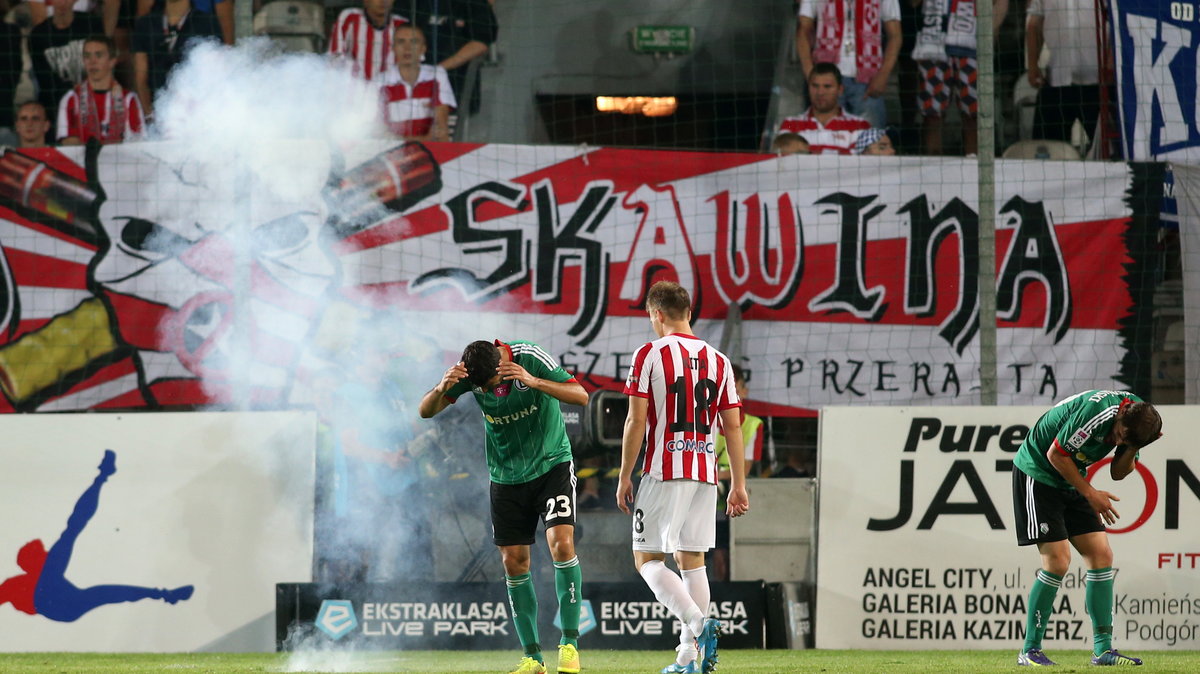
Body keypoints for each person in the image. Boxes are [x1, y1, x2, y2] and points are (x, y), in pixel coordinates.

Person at [419, 339, 589, 674]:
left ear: (501, 364)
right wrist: (442, 387)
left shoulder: (531, 356)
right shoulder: (470, 373)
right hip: (506, 477)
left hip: (551, 465)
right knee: (514, 562)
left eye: (492, 384)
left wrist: (534, 381)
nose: (486, 391)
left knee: (562, 544)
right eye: (480, 387)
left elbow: (581, 396)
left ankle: (569, 645)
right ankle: (533, 658)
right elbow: (425, 411)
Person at [617, 281, 750, 674]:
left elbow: (635, 419)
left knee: (646, 558)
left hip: (663, 468)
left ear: (657, 314)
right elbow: (733, 427)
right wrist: (739, 485)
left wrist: (625, 475)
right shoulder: (719, 360)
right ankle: (688, 659)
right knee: (692, 561)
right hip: (705, 472)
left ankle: (698, 623)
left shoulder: (649, 354)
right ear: (687, 312)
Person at [1012, 390, 1162, 667]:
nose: (1117, 440)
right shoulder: (1100, 412)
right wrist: (1091, 494)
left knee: (1101, 556)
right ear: (1119, 415)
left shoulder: (1138, 422)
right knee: (1057, 562)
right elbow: (1056, 453)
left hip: (1071, 477)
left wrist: (1131, 447)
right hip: (1038, 472)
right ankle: (1030, 650)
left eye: (1125, 440)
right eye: (1119, 434)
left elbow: (1118, 472)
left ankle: (1103, 651)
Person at [0, 450, 193, 622]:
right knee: (70, 534)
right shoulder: (20, 583)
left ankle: (165, 595)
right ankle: (102, 477)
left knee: (105, 591)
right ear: (30, 561)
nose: (46, 554)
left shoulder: (47, 575)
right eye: (41, 554)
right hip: (53, 606)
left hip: (71, 604)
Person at [911, 0, 1008, 155]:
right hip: (933, 44)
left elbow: (1000, 3)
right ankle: (932, 166)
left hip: (971, 46)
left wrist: (988, 37)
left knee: (973, 114)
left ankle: (974, 165)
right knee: (932, 114)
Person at [796, 0, 902, 128]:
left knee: (871, 141)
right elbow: (803, 29)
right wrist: (809, 73)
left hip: (868, 81)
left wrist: (883, 76)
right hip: (826, 79)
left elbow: (895, 35)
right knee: (827, 140)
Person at [710, 364, 764, 582]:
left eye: (740, 386)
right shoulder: (706, 419)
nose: (743, 391)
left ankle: (723, 597)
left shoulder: (753, 424)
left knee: (722, 552)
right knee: (687, 554)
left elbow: (744, 469)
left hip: (728, 500)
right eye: (738, 386)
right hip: (700, 494)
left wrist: (716, 476)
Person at [1026, 0, 1101, 145]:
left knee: (1109, 149)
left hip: (1099, 82)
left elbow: (1119, 22)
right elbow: (1033, 25)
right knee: (1047, 149)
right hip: (1057, 79)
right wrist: (1032, 66)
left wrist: (1111, 64)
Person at [29, 0, 107, 140]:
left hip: (94, 99)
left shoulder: (91, 24)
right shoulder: (38, 34)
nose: (62, 3)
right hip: (56, 105)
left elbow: (103, 61)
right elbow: (44, 78)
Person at [405, 0, 498, 115]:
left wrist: (438, 69)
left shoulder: (474, 4)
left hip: (454, 88)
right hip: (412, 87)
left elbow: (481, 43)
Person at [132, 0, 221, 116]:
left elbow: (214, 75)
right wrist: (150, 116)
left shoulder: (207, 23)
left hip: (194, 112)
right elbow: (140, 79)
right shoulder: (145, 24)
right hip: (156, 112)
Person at [57, 35, 145, 145]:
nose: (92, 62)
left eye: (98, 55)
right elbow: (68, 143)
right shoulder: (71, 98)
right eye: (87, 56)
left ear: (112, 61)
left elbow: (138, 142)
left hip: (121, 161)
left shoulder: (129, 99)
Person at [378, 24, 455, 142]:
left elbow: (440, 130)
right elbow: (378, 134)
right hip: (391, 154)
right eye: (401, 42)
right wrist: (422, 139)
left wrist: (403, 141)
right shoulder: (379, 81)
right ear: (393, 48)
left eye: (414, 42)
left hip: (430, 149)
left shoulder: (437, 74)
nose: (407, 48)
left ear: (423, 48)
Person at [777, 62, 871, 155]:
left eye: (827, 86)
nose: (820, 92)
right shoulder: (790, 124)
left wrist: (809, 154)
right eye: (815, 86)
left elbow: (857, 163)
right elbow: (783, 155)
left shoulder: (860, 125)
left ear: (840, 90)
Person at [328, 0, 410, 83]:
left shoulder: (402, 26)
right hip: (353, 88)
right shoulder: (349, 18)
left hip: (391, 90)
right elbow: (335, 60)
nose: (383, 1)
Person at [137, 0, 234, 46]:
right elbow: (142, 30)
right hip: (163, 37)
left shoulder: (207, 22)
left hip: (201, 36)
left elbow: (226, 27)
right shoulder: (147, 23)